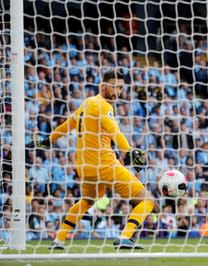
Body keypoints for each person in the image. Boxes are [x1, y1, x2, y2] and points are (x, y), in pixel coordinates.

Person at [27, 70, 154, 250]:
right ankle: (125, 237)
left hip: (85, 169)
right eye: (114, 87)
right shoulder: (104, 106)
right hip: (105, 165)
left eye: (121, 88)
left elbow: (67, 125)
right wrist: (129, 151)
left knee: (87, 201)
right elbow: (114, 131)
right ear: (102, 86)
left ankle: (59, 240)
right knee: (147, 200)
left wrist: (48, 140)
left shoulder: (86, 104)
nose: (118, 92)